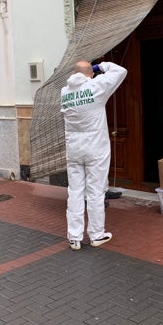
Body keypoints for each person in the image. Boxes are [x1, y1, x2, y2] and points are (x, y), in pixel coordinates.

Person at [61, 60, 127, 250]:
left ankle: (74, 237)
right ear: (91, 74)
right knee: (95, 192)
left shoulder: (65, 92)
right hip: (95, 149)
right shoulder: (96, 86)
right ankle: (96, 234)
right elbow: (121, 70)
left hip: (73, 149)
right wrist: (100, 66)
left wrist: (88, 72)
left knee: (74, 192)